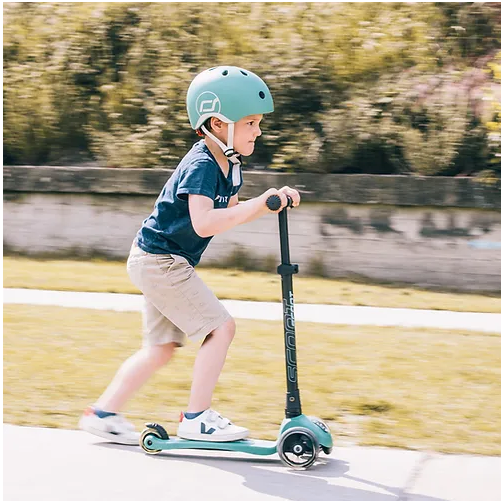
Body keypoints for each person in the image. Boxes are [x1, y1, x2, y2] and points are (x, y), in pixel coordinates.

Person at [78, 65, 300, 445]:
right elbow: (204, 223)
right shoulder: (202, 165)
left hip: (155, 259)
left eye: (258, 123)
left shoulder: (229, 165)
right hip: (160, 260)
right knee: (221, 328)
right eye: (250, 123)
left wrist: (270, 203)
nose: (258, 131)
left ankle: (103, 414)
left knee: (161, 348)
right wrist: (262, 204)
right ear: (217, 124)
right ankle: (197, 418)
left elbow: (228, 215)